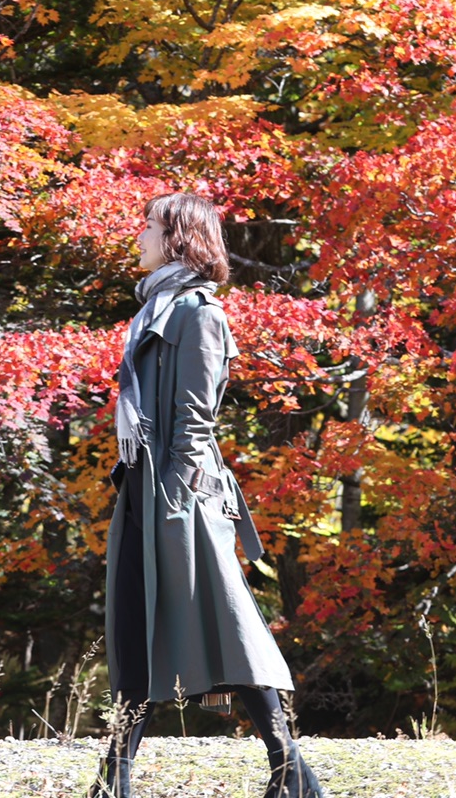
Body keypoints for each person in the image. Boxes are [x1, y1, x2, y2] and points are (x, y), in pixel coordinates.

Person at [91, 192, 327, 798]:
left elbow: (195, 418)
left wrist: (173, 499)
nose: (138, 235)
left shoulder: (198, 314)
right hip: (146, 487)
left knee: (226, 621)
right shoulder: (154, 309)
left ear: (175, 237)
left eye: (147, 226)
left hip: (181, 492)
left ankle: (288, 770)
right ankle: (112, 781)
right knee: (135, 627)